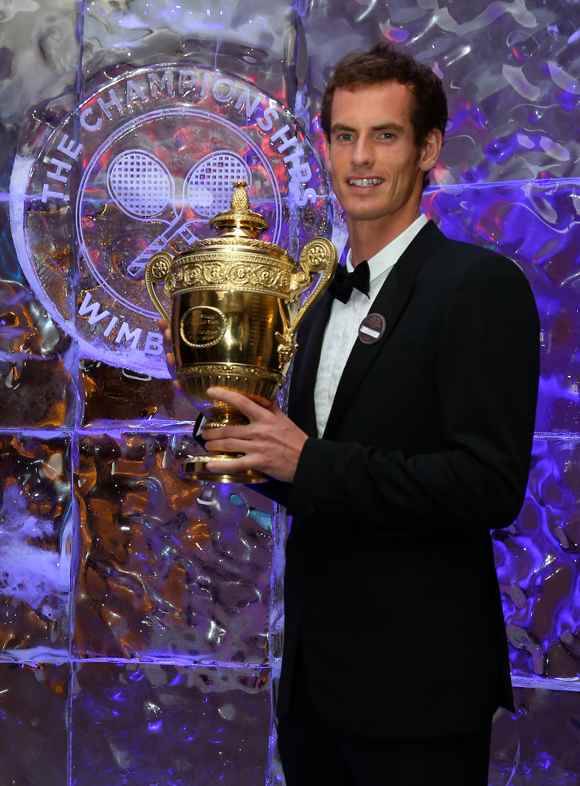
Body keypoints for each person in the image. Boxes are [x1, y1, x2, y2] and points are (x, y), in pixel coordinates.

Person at [190, 43, 539, 786]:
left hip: (420, 696)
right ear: (325, 148)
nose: (361, 158)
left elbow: (488, 485)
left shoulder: (480, 287)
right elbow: (321, 473)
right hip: (315, 694)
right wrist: (236, 433)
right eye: (345, 136)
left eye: (385, 135)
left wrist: (307, 461)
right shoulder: (317, 301)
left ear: (427, 150)